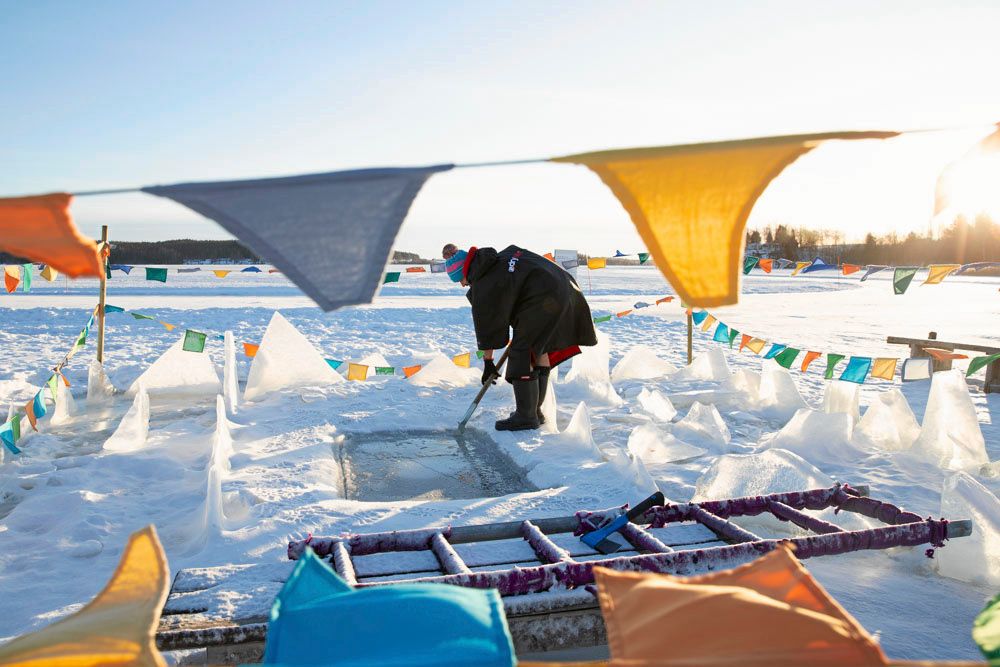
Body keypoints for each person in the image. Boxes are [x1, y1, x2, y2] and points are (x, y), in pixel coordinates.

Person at [443, 243, 597, 431]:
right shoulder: (500, 258)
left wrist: (488, 362)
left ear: (465, 271)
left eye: (461, 279)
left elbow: (487, 326)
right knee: (540, 348)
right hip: (566, 288)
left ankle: (526, 416)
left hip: (545, 298)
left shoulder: (485, 282)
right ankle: (534, 412)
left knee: (521, 353)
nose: (463, 284)